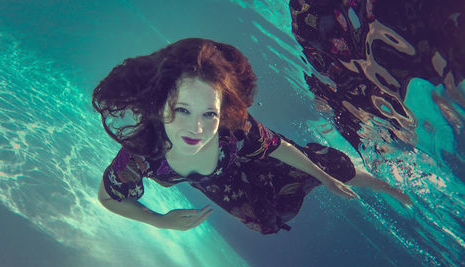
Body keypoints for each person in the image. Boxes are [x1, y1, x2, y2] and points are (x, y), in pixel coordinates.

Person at [92, 38, 411, 235]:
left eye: (209, 114)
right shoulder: (141, 155)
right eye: (183, 110)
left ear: (222, 113)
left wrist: (324, 178)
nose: (197, 129)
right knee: (267, 219)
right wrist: (160, 220)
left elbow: (279, 147)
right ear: (161, 104)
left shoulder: (235, 131)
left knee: (326, 169)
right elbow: (108, 197)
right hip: (219, 183)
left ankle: (384, 183)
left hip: (247, 158)